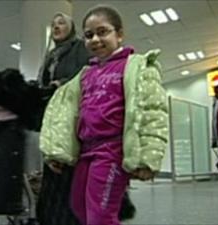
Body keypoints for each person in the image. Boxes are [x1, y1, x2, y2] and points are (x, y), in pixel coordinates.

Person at [40, 5, 169, 225]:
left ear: (119, 35)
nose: (95, 39)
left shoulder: (136, 67)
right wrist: (56, 152)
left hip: (112, 151)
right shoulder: (85, 74)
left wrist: (148, 157)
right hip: (86, 151)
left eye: (103, 32)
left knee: (100, 215)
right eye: (89, 35)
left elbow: (153, 112)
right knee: (79, 206)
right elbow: (63, 113)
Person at [35, 13, 90, 225]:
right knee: (53, 176)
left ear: (72, 28)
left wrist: (63, 83)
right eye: (53, 23)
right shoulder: (50, 56)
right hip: (53, 122)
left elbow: (87, 75)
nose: (56, 26)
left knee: (70, 177)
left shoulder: (79, 47)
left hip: (72, 122)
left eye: (61, 23)